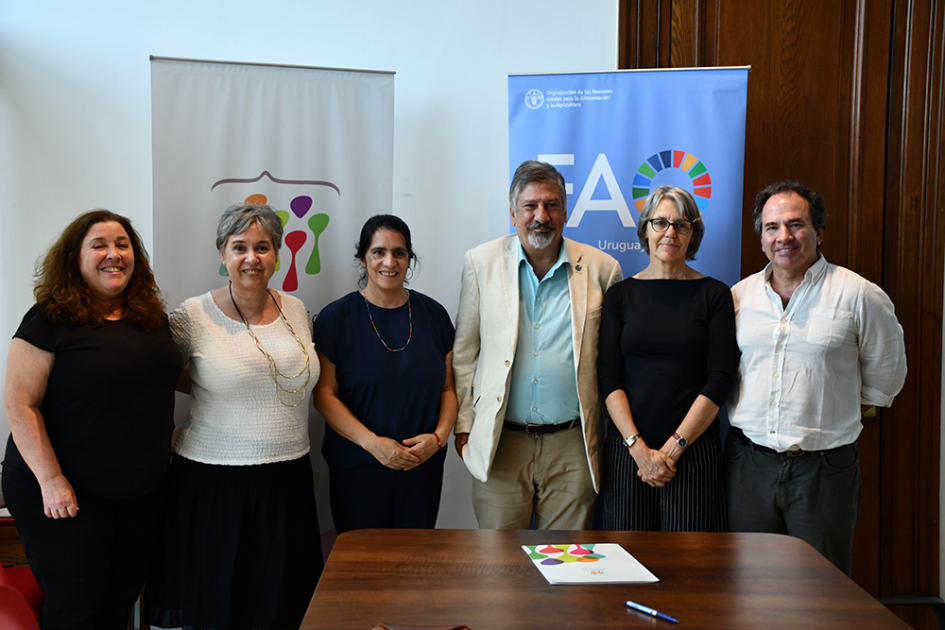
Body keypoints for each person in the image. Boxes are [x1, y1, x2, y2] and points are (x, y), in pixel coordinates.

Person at [1, 210, 182, 629]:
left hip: (140, 491)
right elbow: (19, 403)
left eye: (122, 244)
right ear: (75, 258)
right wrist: (51, 481)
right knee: (76, 608)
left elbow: (178, 378)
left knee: (120, 600)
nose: (113, 254)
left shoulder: (150, 317)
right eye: (99, 245)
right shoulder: (49, 317)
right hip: (67, 492)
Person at [147, 204, 322, 630]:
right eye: (239, 247)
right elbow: (154, 378)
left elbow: (284, 373)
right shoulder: (192, 316)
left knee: (280, 604)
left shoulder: (296, 309)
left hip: (288, 481)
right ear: (222, 254)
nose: (252, 258)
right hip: (215, 484)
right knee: (221, 605)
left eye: (263, 247)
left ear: (277, 254)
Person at [724, 180, 907, 575]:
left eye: (796, 225)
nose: (783, 237)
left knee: (821, 588)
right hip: (748, 467)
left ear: (819, 233)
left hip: (824, 472)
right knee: (748, 583)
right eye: (772, 228)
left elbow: (884, 379)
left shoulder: (859, 295)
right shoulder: (738, 298)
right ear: (760, 238)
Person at [452, 160, 623, 530]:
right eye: (530, 206)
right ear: (513, 214)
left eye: (551, 205)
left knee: (565, 567)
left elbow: (613, 362)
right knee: (499, 566)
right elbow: (465, 352)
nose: (540, 216)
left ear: (565, 212)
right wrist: (465, 425)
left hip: (572, 445)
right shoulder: (480, 263)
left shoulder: (602, 270)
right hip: (500, 442)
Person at [596, 186, 737, 532]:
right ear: (645, 229)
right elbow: (608, 377)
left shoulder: (715, 294)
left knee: (690, 572)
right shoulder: (620, 296)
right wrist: (638, 449)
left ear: (693, 234)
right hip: (630, 453)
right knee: (626, 567)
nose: (670, 232)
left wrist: (674, 448)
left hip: (693, 453)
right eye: (660, 222)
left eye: (681, 224)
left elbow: (719, 378)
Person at [313, 215, 456, 532]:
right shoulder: (335, 318)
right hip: (358, 467)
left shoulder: (434, 315)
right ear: (362, 260)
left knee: (415, 565)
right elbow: (324, 395)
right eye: (378, 252)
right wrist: (373, 444)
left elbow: (448, 389)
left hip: (421, 467)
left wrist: (439, 438)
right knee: (363, 570)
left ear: (409, 259)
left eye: (399, 252)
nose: (389, 262)